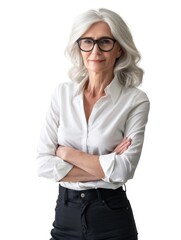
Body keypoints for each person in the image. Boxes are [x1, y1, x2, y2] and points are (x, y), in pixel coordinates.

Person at [37, 8, 150, 240]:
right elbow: (43, 165)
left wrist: (65, 152)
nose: (95, 50)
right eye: (87, 42)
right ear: (79, 47)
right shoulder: (62, 94)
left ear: (119, 48)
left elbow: (124, 170)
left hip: (112, 217)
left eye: (105, 42)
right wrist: (105, 166)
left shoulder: (135, 100)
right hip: (65, 215)